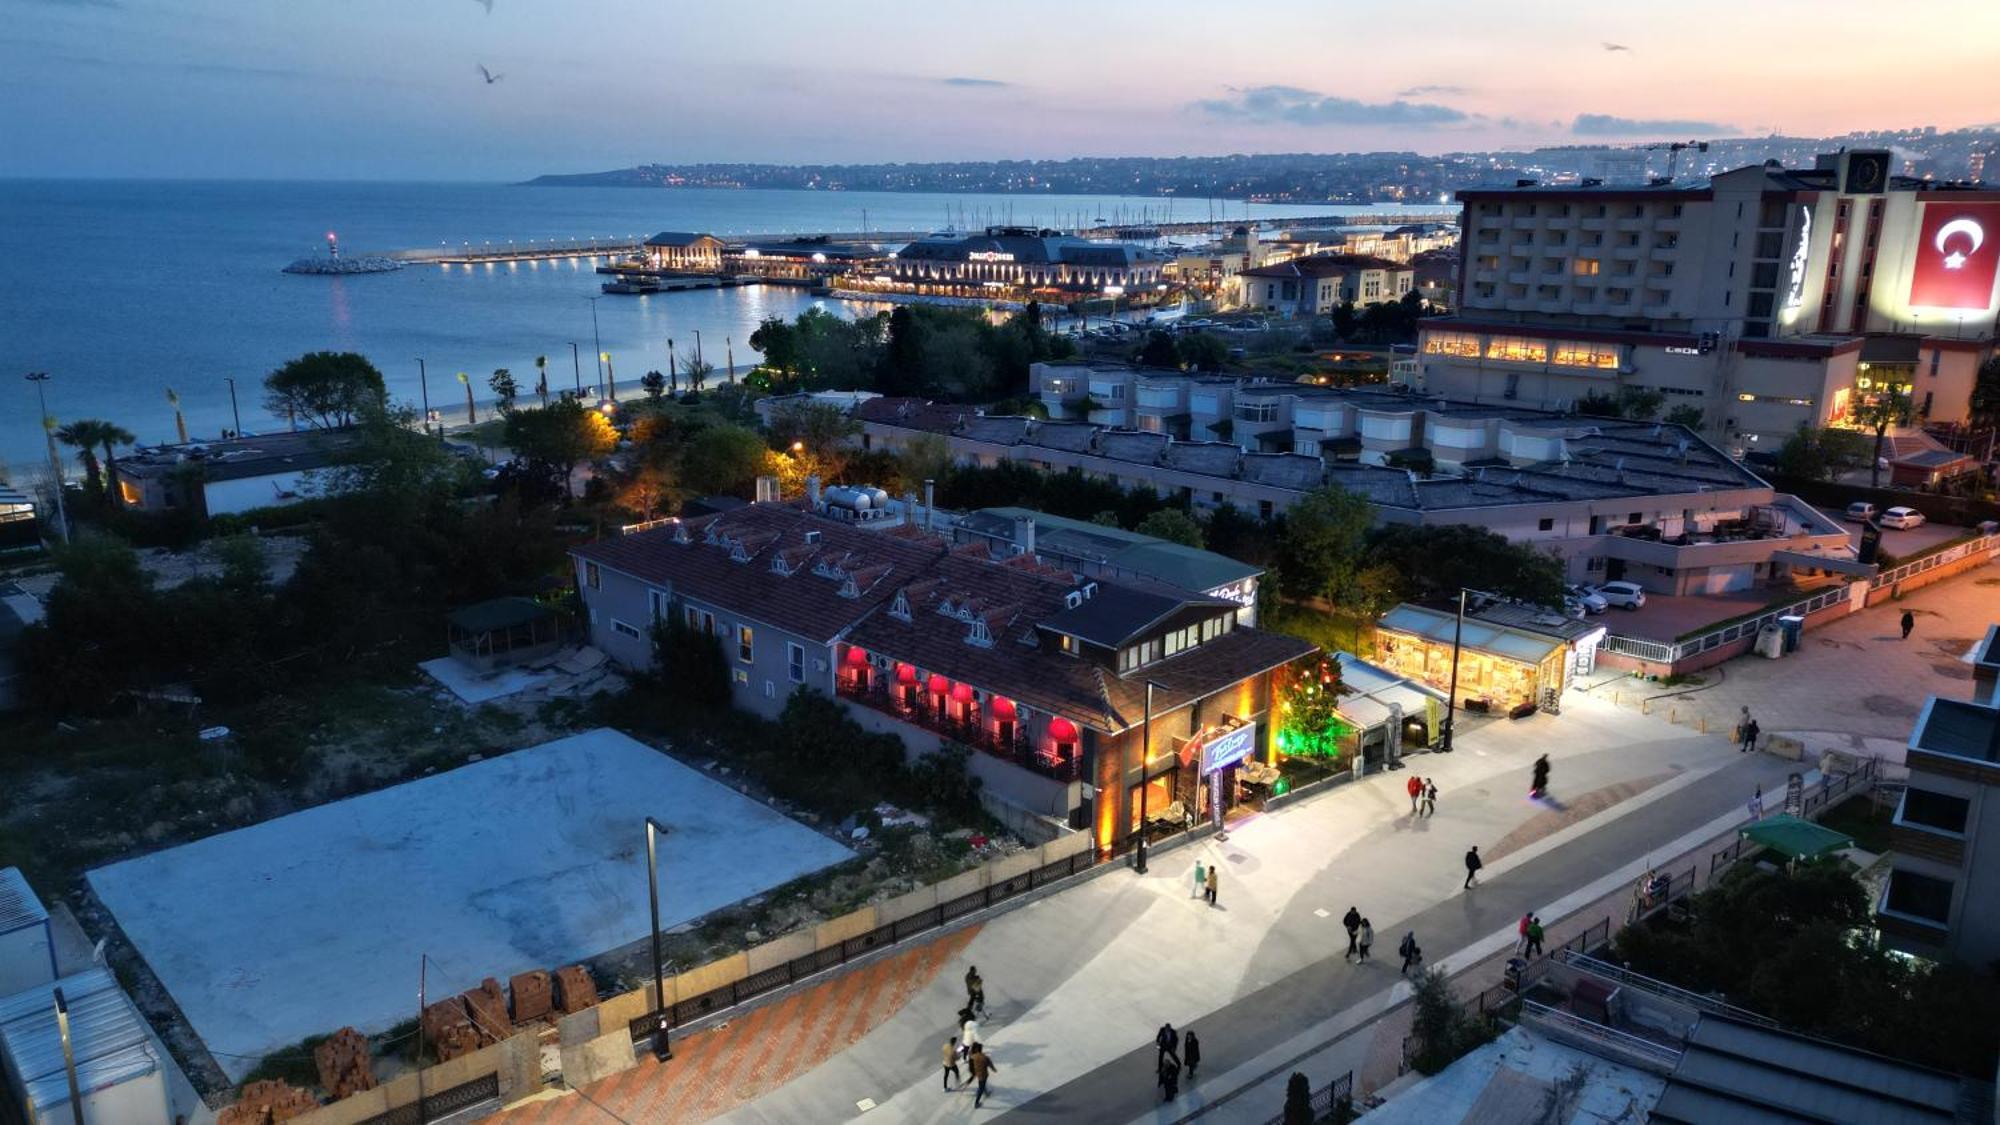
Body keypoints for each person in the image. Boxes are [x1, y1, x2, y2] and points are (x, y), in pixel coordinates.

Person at [969, 1042, 996, 1107]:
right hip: (983, 1075)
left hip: (977, 1073)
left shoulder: (973, 1056)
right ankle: (976, 1103)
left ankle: (986, 1092)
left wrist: (973, 1073)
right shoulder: (985, 1057)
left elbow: (971, 1065)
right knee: (981, 1087)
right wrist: (994, 1069)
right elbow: (990, 1065)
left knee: (982, 1085)